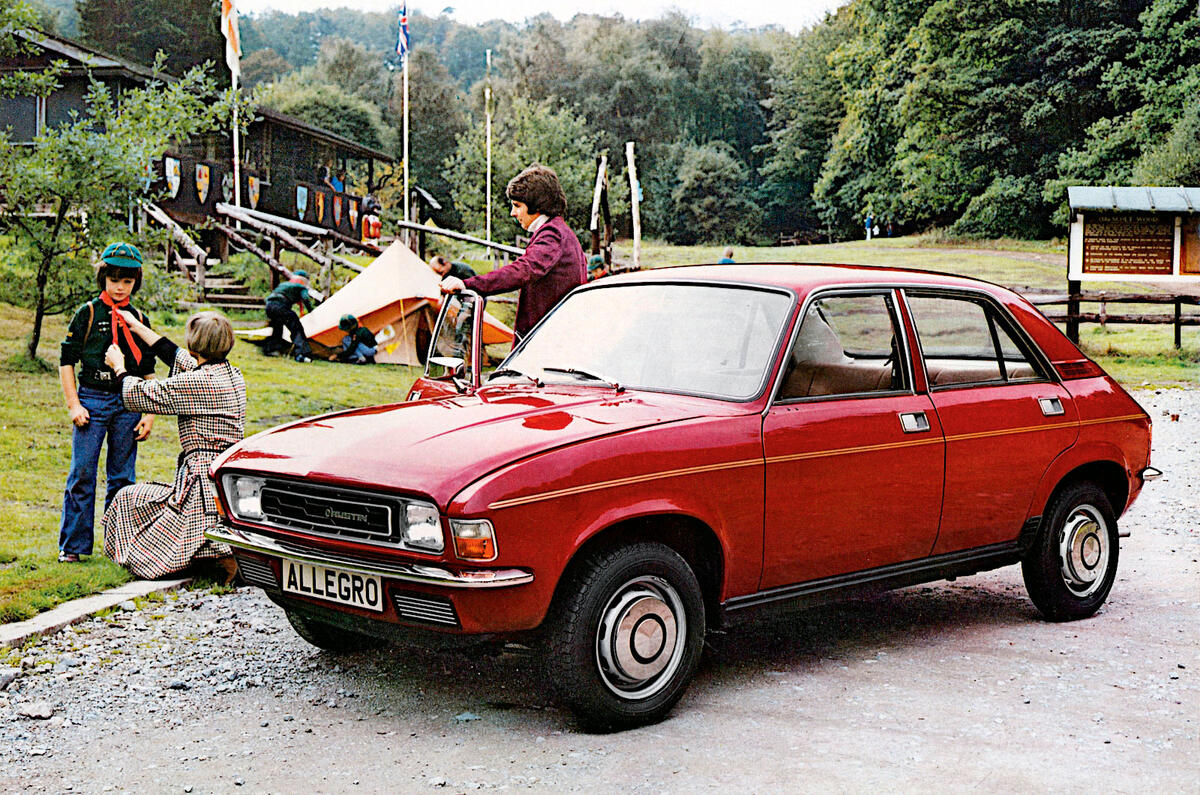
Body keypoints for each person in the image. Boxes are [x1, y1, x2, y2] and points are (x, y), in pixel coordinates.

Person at [102, 311, 245, 581]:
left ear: (195, 345)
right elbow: (176, 355)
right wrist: (138, 328)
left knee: (127, 500)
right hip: (224, 479)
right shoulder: (232, 375)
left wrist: (119, 367)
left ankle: (219, 557)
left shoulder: (198, 383)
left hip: (200, 488)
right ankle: (217, 555)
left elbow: (142, 394)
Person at [57, 242, 157, 563]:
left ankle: (118, 545)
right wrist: (75, 405)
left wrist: (149, 414)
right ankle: (73, 546)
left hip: (128, 405)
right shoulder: (87, 314)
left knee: (123, 477)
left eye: (126, 281)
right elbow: (66, 362)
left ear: (135, 283)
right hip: (92, 401)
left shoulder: (140, 319)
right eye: (113, 280)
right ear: (103, 278)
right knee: (83, 472)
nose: (119, 287)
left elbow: (149, 372)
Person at [440, 164, 585, 339]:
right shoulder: (561, 232)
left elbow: (523, 270)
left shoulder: (552, 234)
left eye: (517, 205)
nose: (512, 213)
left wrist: (469, 284)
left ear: (537, 204)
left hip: (547, 341)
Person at [263, 270, 315, 362]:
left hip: (269, 306)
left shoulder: (283, 284)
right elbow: (306, 299)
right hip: (281, 306)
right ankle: (302, 353)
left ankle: (270, 349)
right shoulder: (301, 287)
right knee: (296, 328)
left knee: (277, 327)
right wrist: (312, 311)